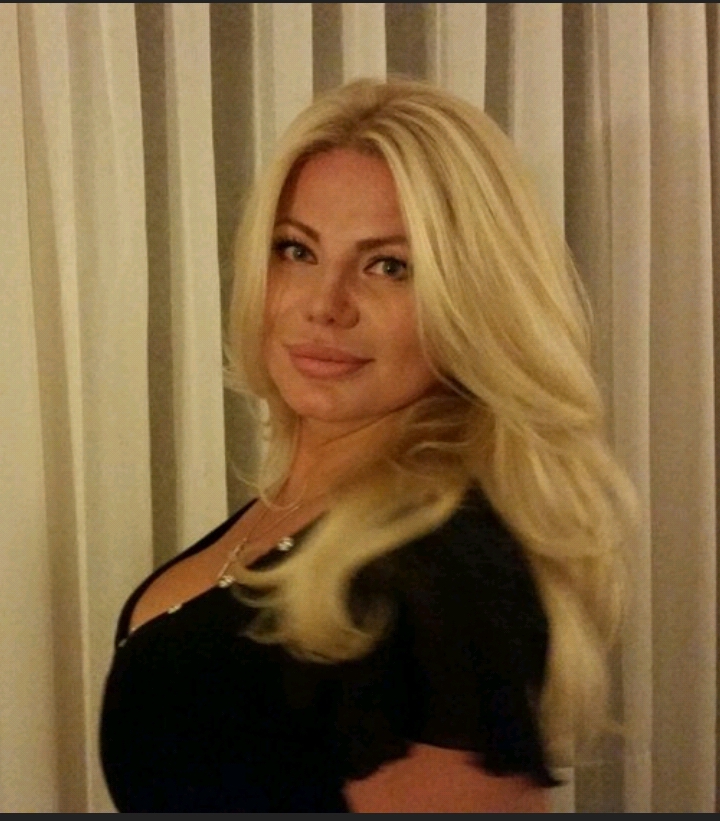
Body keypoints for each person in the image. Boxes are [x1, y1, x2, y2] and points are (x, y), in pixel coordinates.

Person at [100, 78, 635, 812]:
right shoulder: (313, 509)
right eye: (296, 250)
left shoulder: (445, 568)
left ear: (472, 297)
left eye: (389, 266)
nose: (324, 304)